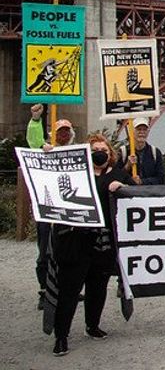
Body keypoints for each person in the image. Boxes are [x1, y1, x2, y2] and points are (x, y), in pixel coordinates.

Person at [48, 134, 134, 356]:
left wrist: (123, 185)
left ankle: (92, 325)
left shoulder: (117, 174)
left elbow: (137, 194)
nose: (100, 152)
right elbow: (50, 177)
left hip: (102, 244)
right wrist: (50, 153)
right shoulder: (76, 174)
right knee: (69, 290)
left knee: (98, 288)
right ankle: (61, 336)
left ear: (110, 153)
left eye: (104, 149)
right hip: (76, 243)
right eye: (95, 148)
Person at [27, 106, 76, 311]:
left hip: (69, 214)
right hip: (47, 213)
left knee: (68, 252)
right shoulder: (44, 151)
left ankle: (65, 288)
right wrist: (36, 119)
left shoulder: (76, 154)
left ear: (71, 135)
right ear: (52, 135)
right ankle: (44, 291)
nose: (63, 135)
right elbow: (33, 143)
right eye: (59, 132)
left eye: (66, 131)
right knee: (45, 253)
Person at [115, 117, 165, 185]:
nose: (142, 132)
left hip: (149, 193)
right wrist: (127, 166)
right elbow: (116, 178)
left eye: (144, 130)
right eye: (139, 129)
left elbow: (161, 178)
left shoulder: (155, 152)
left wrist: (142, 182)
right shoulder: (123, 152)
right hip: (129, 193)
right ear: (132, 131)